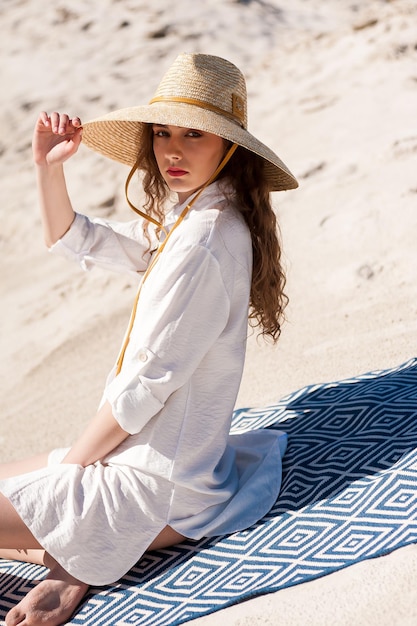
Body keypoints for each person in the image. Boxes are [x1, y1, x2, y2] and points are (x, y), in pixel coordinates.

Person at [0, 53, 298, 626]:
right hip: (142, 459)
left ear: (229, 146)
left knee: (40, 492)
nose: (172, 151)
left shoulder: (206, 242)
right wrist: (48, 168)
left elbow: (143, 389)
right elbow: (85, 241)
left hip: (155, 484)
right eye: (162, 132)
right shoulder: (196, 217)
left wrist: (68, 477)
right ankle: (73, 559)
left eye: (194, 134)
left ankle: (80, 554)